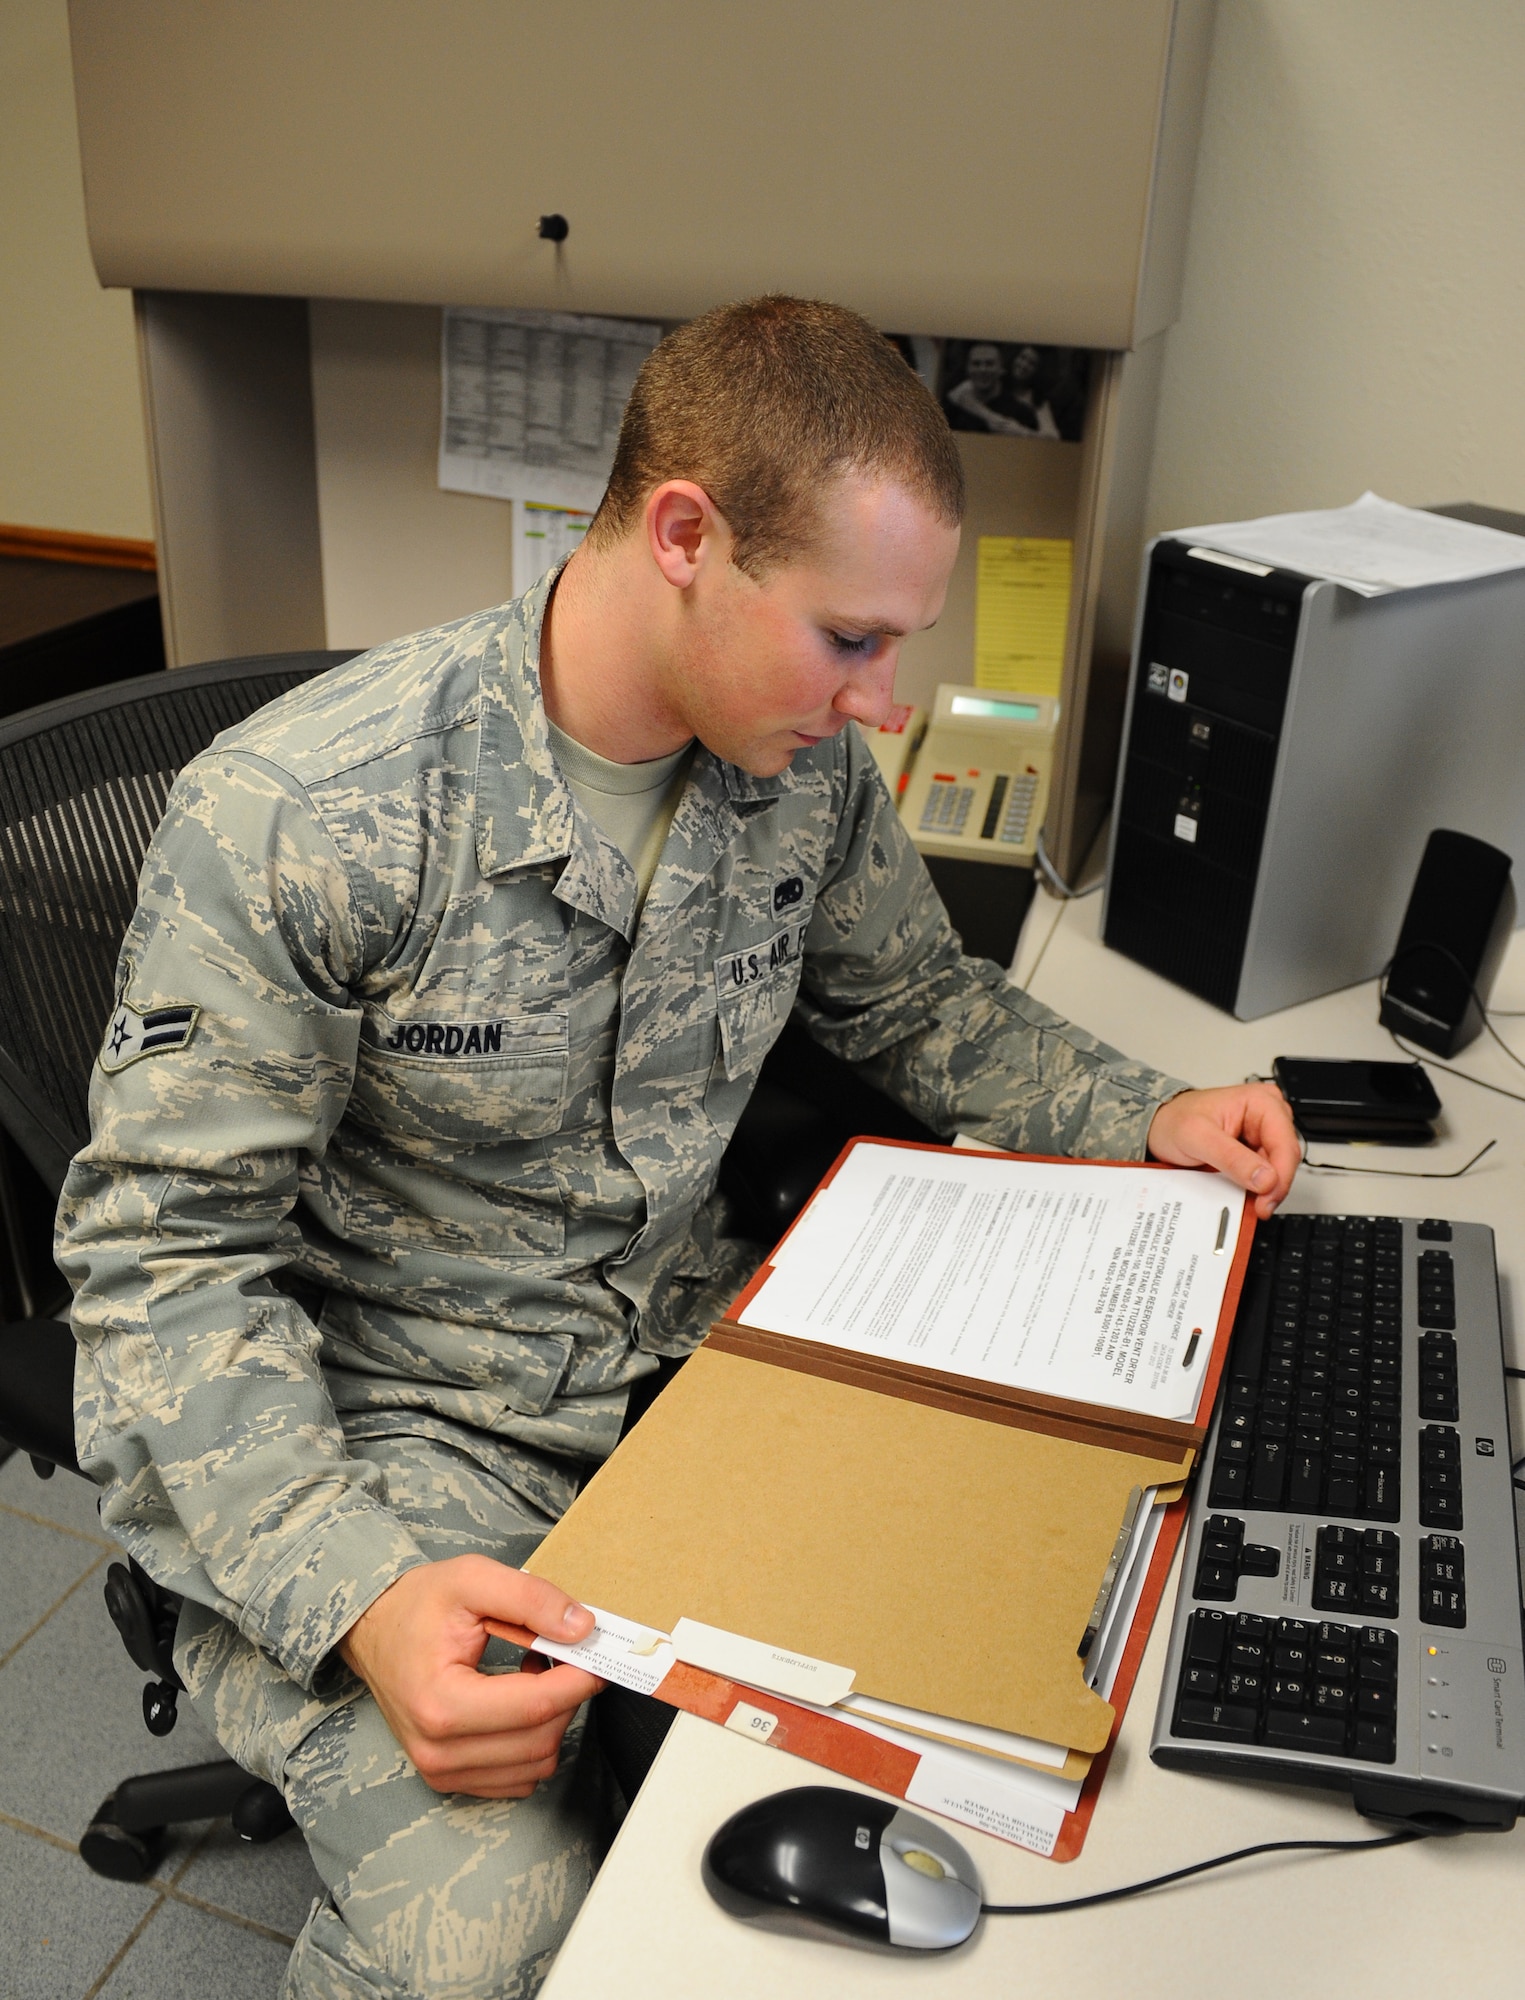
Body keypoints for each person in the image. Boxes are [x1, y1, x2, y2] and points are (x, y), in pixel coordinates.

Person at [56, 296, 1299, 2000]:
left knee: (1036, 1663)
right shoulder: (306, 819)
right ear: (686, 536)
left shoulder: (789, 769)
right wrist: (360, 1600)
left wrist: (1145, 1112)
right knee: (491, 1935)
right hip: (392, 1433)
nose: (884, 704)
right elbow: (160, 1278)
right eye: (853, 639)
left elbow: (914, 1002)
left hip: (688, 1360)